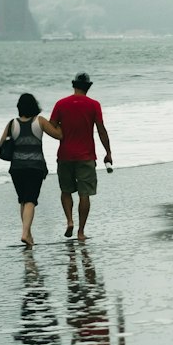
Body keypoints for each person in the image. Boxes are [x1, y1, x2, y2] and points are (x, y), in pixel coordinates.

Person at [49, 72, 113, 241]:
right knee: (84, 194)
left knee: (65, 191)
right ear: (88, 87)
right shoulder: (94, 105)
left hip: (65, 155)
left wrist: (63, 132)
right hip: (86, 156)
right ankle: (80, 232)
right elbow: (101, 130)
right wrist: (108, 152)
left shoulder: (61, 104)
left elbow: (51, 128)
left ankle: (69, 221)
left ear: (73, 85)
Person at [0, 93, 60, 247]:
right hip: (35, 167)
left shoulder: (12, 123)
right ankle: (25, 233)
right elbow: (58, 135)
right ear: (34, 106)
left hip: (17, 168)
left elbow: (1, 144)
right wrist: (61, 122)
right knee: (31, 200)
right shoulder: (39, 121)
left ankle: (29, 234)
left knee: (23, 200)